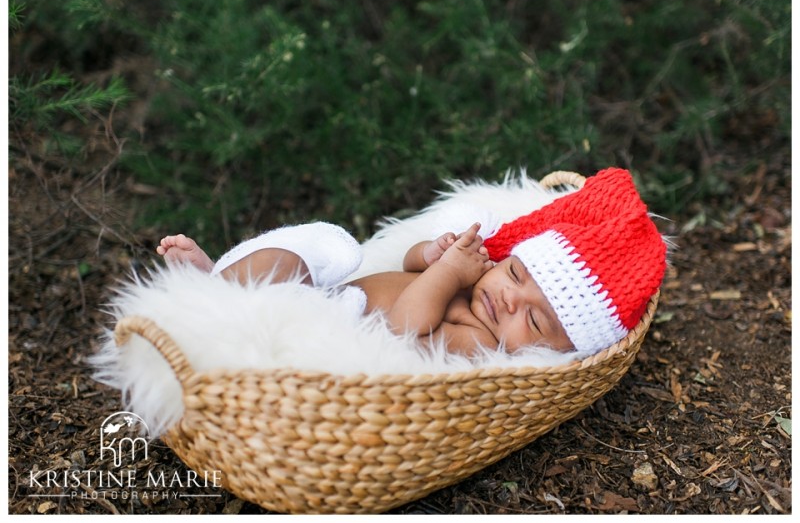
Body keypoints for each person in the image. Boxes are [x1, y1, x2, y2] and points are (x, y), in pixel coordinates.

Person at [157, 168, 667, 357]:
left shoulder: (481, 342)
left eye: (534, 319)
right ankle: (217, 286)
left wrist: (445, 275)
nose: (510, 298)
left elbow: (402, 329)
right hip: (322, 297)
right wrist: (430, 255)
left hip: (329, 334)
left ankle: (223, 308)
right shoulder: (474, 284)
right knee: (322, 247)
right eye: (515, 272)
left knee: (288, 293)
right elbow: (402, 264)